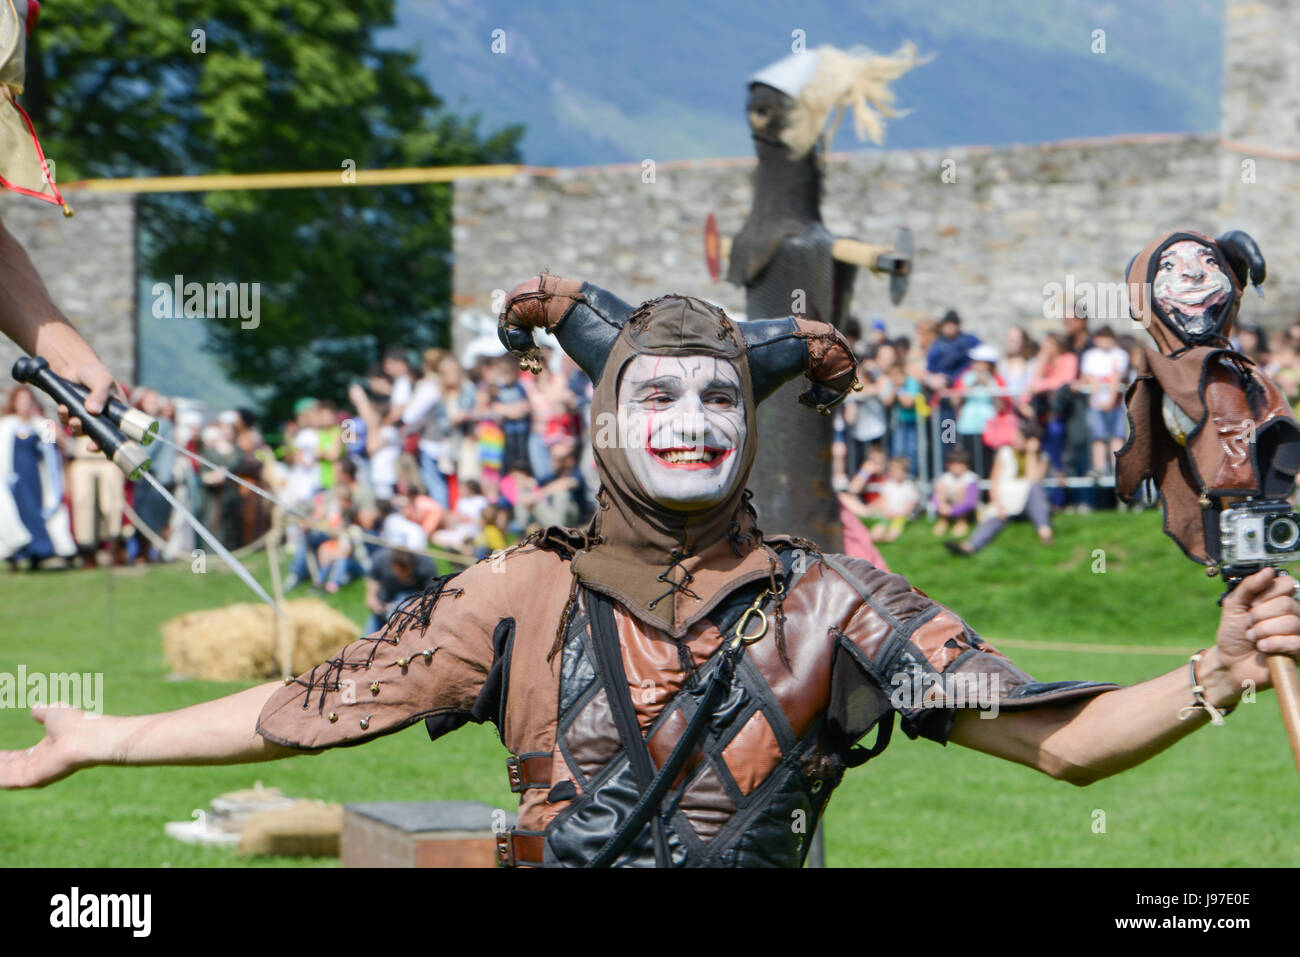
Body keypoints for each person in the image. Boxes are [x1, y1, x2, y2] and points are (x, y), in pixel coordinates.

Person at [5, 277, 1299, 874]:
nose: (690, 417)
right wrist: (102, 736)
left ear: (749, 420)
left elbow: (1064, 743)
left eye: (718, 393)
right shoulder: (516, 592)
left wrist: (1220, 670)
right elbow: (308, 706)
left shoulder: (836, 599)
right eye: (658, 392)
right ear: (605, 422)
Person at [947, 422, 1052, 556]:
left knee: (1034, 489)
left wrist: (1031, 453)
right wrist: (997, 503)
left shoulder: (1042, 457)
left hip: (1028, 501)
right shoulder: (1005, 452)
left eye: (1020, 438)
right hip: (1006, 500)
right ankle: (969, 547)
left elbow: (1033, 480)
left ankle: (1045, 532)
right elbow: (994, 481)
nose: (1016, 440)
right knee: (993, 518)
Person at [1078, 325, 1130, 476]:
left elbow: (1117, 377)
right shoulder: (1090, 356)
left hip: (1115, 404)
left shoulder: (1119, 355)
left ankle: (1117, 467)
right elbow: (1089, 376)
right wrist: (1096, 397)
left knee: (1117, 436)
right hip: (1096, 403)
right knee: (1098, 436)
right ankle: (1099, 468)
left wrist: (1111, 399)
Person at [362, 547, 437, 635]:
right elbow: (371, 596)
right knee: (367, 637)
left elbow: (433, 596)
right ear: (392, 566)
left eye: (407, 574)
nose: (404, 578)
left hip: (413, 604)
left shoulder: (425, 565)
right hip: (384, 605)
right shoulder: (380, 559)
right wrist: (375, 605)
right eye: (400, 574)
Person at [931, 446, 979, 538]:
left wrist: (952, 510)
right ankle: (943, 520)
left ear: (967, 466)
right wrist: (940, 506)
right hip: (946, 505)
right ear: (949, 465)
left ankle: (961, 521)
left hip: (964, 508)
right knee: (940, 486)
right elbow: (934, 496)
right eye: (954, 464)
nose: (957, 468)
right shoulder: (945, 477)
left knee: (960, 489)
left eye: (960, 464)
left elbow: (970, 502)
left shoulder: (970, 478)